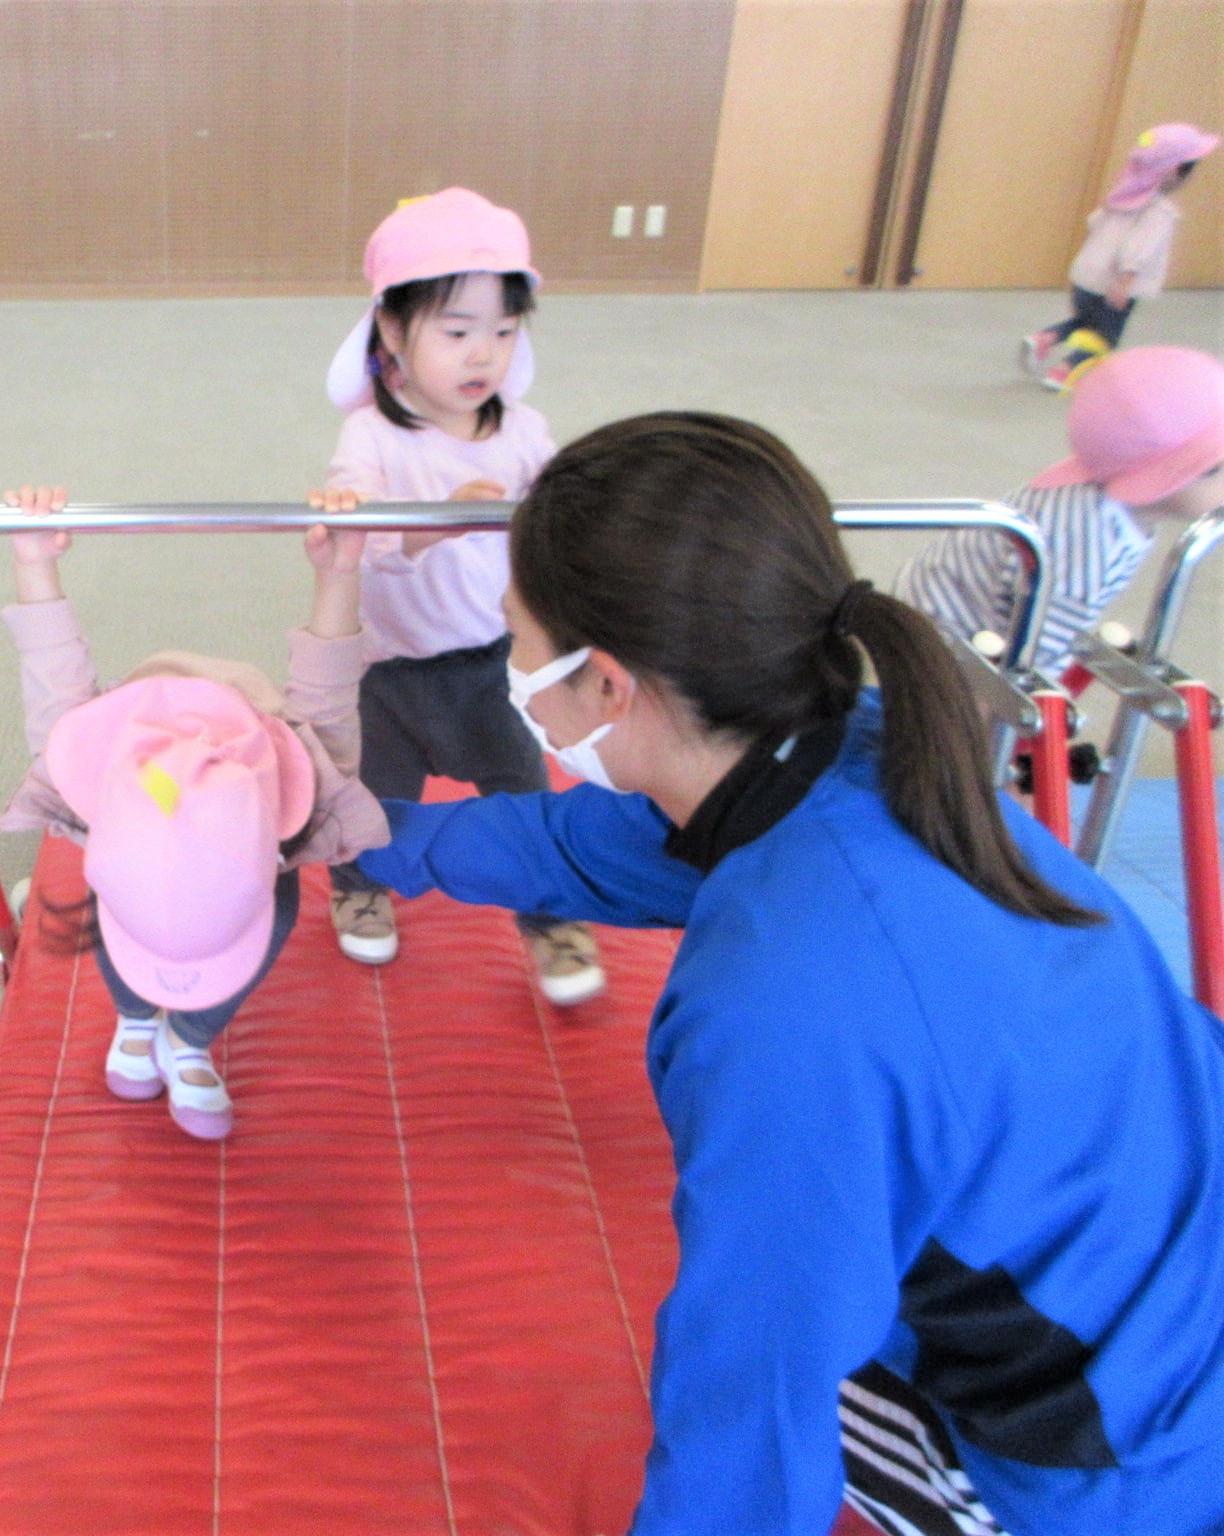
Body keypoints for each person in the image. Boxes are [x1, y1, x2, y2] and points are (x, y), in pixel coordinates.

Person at [354, 413, 1224, 1535]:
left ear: (604, 684)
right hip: (1164, 1257)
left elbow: (751, 1404)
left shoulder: (775, 1010)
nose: (509, 668)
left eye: (512, 637)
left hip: (1128, 1462)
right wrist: (358, 833)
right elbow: (596, 847)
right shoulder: (854, 747)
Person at [0, 486, 387, 1141]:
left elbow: (329, 684)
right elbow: (50, 670)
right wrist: (33, 561)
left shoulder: (302, 777)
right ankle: (137, 1018)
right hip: (140, 776)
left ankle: (187, 1035)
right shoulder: (92, 773)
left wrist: (341, 571)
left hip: (241, 747)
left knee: (280, 907)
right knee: (122, 896)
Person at [311, 186, 604, 1007]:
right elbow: (360, 538)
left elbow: (563, 514)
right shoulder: (371, 436)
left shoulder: (524, 432)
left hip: (497, 667)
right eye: (457, 331)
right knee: (372, 801)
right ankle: (357, 887)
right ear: (392, 332)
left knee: (525, 797)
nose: (484, 355)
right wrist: (428, 526)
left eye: (504, 332)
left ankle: (552, 920)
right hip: (390, 673)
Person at [902, 344, 1224, 673]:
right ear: (1156, 478)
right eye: (1214, 469)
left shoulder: (1109, 492)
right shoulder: (1087, 546)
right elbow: (1032, 657)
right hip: (941, 637)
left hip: (948, 601)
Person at [1023, 122, 1218, 392]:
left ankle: (1045, 338)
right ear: (1176, 171)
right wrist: (1125, 281)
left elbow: (1093, 225)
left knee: (1085, 321)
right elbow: (1140, 248)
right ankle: (1065, 370)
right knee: (1105, 337)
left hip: (1086, 276)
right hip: (1113, 285)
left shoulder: (1119, 199)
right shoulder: (1159, 212)